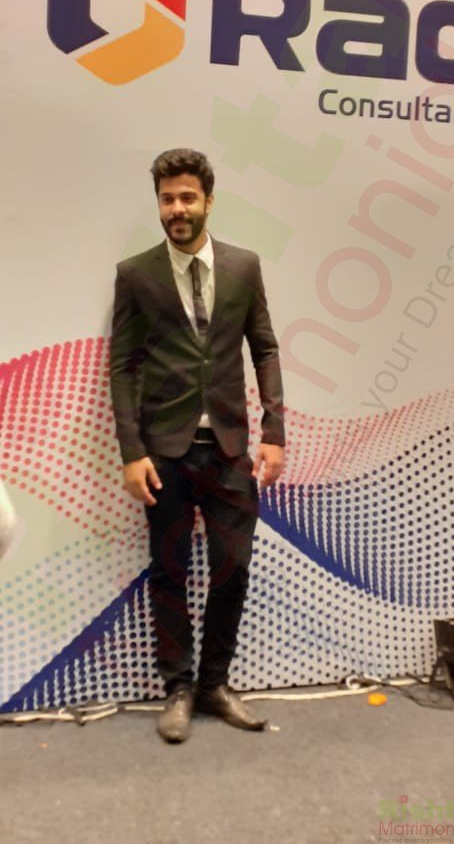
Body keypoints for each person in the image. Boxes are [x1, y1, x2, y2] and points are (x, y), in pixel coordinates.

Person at [110, 148, 285, 744]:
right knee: (169, 571)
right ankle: (178, 688)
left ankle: (214, 683)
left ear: (209, 200)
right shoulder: (136, 274)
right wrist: (131, 452)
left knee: (232, 570)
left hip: (231, 450)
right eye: (167, 199)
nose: (176, 209)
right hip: (165, 452)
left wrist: (274, 433)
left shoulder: (243, 267)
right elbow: (123, 367)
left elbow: (265, 348)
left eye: (187, 197)